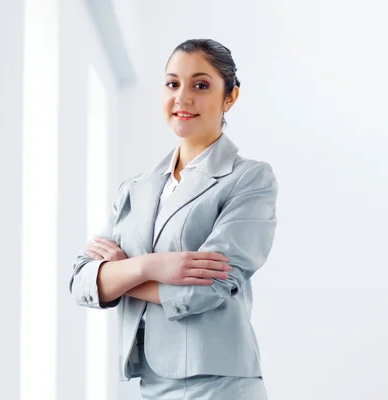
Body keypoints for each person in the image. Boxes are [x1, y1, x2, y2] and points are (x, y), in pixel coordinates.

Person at [69, 38, 278, 400]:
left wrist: (122, 272)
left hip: (221, 385)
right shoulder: (135, 188)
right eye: (172, 84)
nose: (182, 97)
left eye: (201, 85)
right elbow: (83, 283)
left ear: (230, 97)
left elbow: (207, 288)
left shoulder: (249, 179)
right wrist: (151, 266)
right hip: (151, 384)